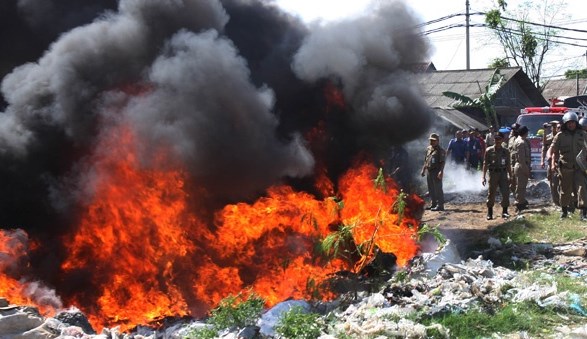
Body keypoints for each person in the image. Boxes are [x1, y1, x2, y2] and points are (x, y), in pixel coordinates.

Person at [551, 111, 587, 219]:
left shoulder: (583, 134)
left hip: (580, 168)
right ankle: (564, 212)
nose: (571, 125)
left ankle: (583, 213)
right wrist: (553, 164)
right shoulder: (560, 136)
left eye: (573, 122)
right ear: (565, 124)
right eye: (568, 123)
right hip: (565, 168)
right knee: (565, 190)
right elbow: (554, 151)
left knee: (582, 189)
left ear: (576, 123)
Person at [482, 132, 512, 220]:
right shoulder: (489, 150)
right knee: (491, 193)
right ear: (494, 140)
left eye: (499, 139)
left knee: (505, 193)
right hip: (493, 174)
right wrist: (483, 176)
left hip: (503, 174)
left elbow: (508, 165)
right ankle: (490, 212)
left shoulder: (506, 151)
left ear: (502, 140)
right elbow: (485, 164)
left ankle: (505, 211)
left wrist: (511, 175)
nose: (498, 141)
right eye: (496, 139)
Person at [421, 133, 446, 211]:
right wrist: (423, 169)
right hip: (429, 171)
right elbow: (426, 160)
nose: (432, 142)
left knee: (438, 189)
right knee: (431, 189)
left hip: (436, 171)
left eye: (434, 140)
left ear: (437, 141)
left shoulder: (440, 151)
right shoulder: (428, 149)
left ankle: (440, 205)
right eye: (431, 140)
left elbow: (442, 162)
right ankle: (433, 204)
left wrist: (441, 172)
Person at [513, 125, 531, 213]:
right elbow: (521, 159)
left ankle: (521, 202)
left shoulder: (521, 141)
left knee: (521, 186)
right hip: (521, 166)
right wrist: (526, 170)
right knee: (521, 187)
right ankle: (519, 205)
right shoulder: (521, 142)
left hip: (521, 166)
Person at [542, 121, 560, 207]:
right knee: (552, 183)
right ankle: (555, 201)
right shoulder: (549, 137)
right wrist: (544, 131)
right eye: (553, 127)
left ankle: (563, 201)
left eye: (556, 126)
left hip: (560, 162)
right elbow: (544, 144)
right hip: (551, 163)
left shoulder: (561, 136)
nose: (554, 128)